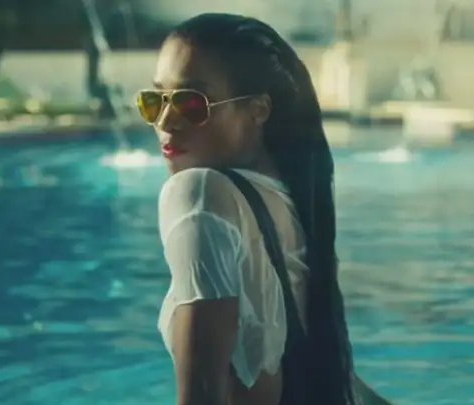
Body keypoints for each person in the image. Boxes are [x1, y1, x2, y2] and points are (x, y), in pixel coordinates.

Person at [135, 13, 391, 405]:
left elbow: (203, 395)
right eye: (155, 101)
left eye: (191, 102)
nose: (166, 122)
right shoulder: (292, 207)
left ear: (257, 109)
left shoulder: (199, 194)